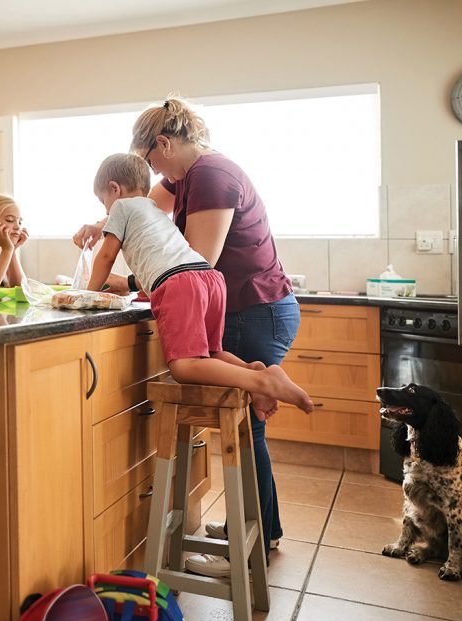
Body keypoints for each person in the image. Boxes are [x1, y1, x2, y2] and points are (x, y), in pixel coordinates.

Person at [74, 98, 303, 578]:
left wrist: (113, 285)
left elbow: (198, 257)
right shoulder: (186, 178)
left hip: (254, 308)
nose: (154, 172)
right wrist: (100, 225)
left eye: (152, 160)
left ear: (164, 144)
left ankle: (253, 542)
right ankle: (263, 527)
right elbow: (142, 211)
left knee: (236, 415)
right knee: (242, 415)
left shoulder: (210, 176)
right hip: (231, 300)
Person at [87, 153, 312, 419]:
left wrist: (87, 294)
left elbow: (105, 256)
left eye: (103, 202)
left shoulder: (121, 208)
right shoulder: (154, 211)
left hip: (180, 284)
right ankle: (255, 372)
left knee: (184, 367)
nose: (105, 210)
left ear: (115, 188)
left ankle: (262, 382)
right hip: (210, 279)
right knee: (210, 354)